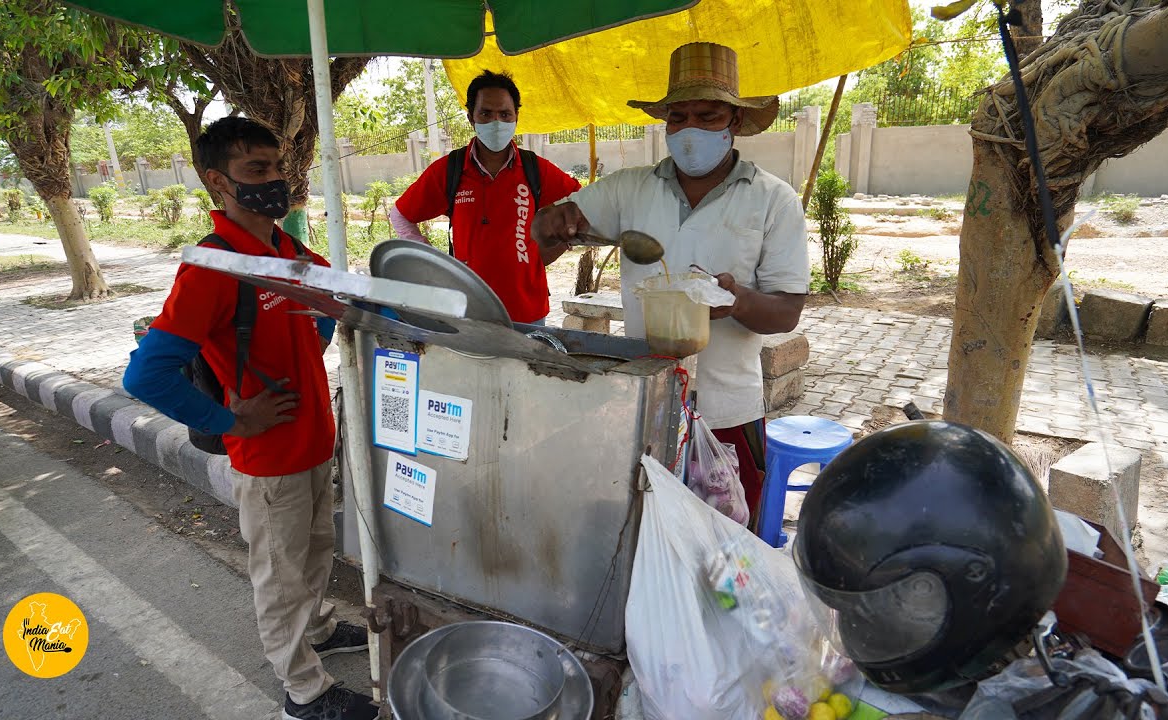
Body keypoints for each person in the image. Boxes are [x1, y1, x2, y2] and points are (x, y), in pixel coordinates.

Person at [123, 117, 375, 720]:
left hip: (313, 438)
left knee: (314, 551)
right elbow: (145, 374)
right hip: (268, 457)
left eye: (277, 168)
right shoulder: (213, 268)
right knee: (281, 575)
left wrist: (328, 322)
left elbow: (329, 298)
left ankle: (317, 629)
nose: (274, 182)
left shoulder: (284, 248)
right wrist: (232, 421)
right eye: (256, 171)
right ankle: (302, 692)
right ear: (218, 182)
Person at [532, 42, 810, 521]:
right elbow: (546, 236)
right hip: (642, 400)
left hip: (728, 411)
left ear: (735, 123)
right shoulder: (630, 189)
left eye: (707, 116)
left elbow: (787, 312)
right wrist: (552, 223)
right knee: (640, 531)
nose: (690, 131)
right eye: (678, 117)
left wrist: (737, 301)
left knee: (723, 551)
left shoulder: (773, 201)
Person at [390, 70, 583, 324]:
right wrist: (433, 263)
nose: (496, 123)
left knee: (525, 366)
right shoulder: (451, 170)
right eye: (486, 114)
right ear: (471, 117)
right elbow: (400, 215)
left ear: (516, 117)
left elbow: (582, 206)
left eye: (504, 114)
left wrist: (554, 248)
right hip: (469, 315)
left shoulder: (536, 169)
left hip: (527, 313)